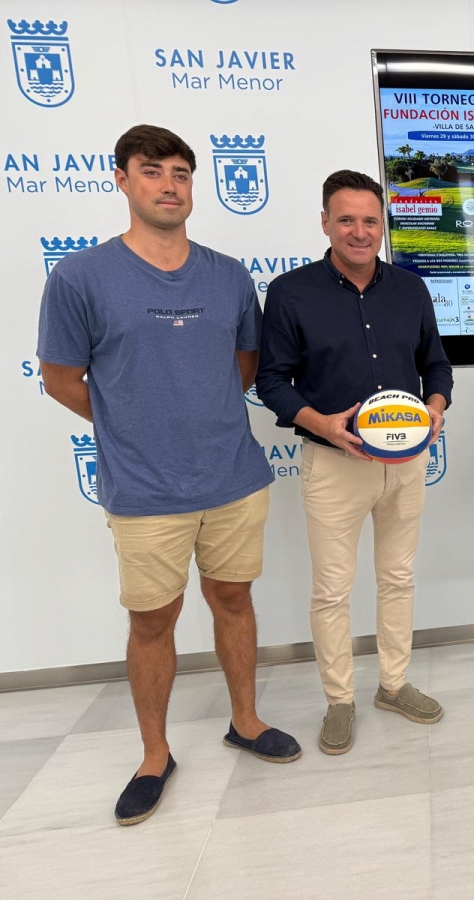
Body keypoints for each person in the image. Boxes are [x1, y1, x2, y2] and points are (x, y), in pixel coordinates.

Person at [36, 124, 300, 826]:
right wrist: (132, 423)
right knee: (153, 620)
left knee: (234, 599)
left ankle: (245, 720)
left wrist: (192, 411)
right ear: (122, 180)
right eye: (152, 171)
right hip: (145, 488)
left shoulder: (228, 275)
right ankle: (154, 755)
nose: (169, 185)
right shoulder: (80, 277)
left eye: (181, 173)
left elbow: (244, 366)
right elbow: (60, 379)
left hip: (233, 477)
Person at [257, 170, 452, 755]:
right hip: (333, 464)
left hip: (406, 462)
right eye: (346, 220)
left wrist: (436, 406)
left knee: (397, 578)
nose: (359, 231)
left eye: (370, 220)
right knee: (332, 591)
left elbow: (436, 365)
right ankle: (339, 700)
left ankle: (393, 685)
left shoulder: (410, 289)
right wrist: (323, 424)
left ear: (382, 224)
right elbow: (272, 380)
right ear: (325, 223)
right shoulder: (290, 292)